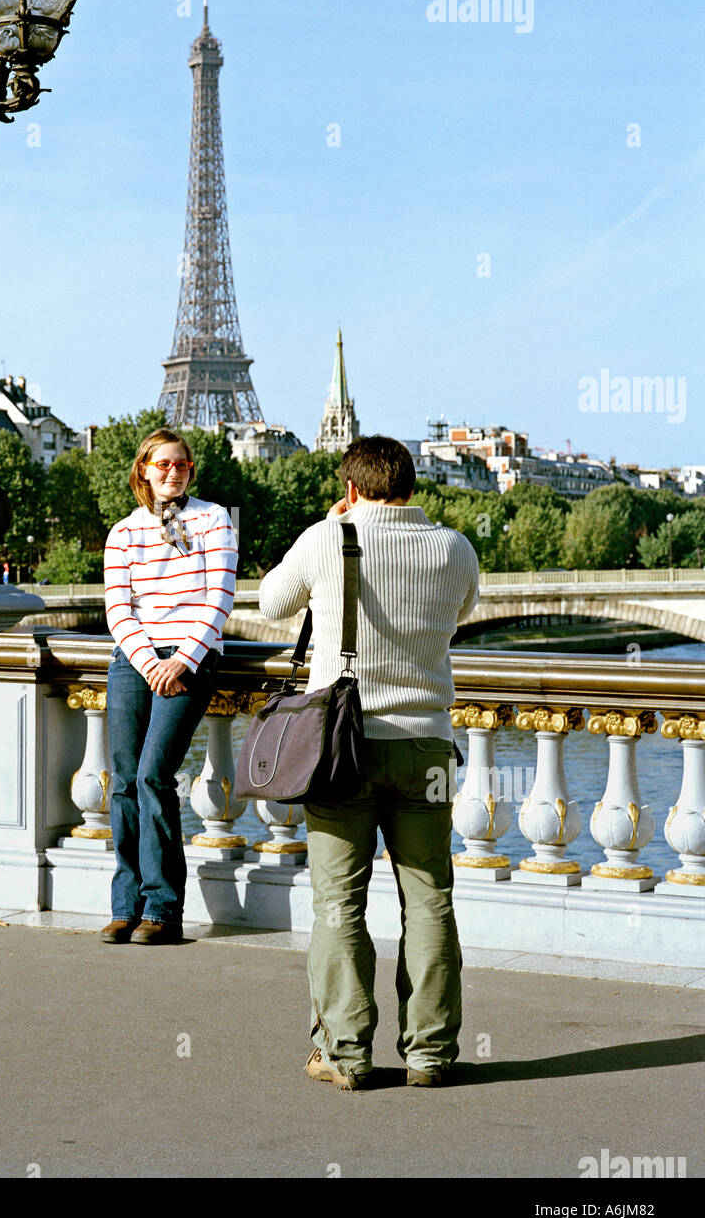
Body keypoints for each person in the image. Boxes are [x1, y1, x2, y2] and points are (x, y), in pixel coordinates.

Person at [259, 435, 479, 1089]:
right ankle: (430, 1055)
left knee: (338, 905)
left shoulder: (329, 538)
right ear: (413, 487)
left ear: (350, 489)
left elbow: (271, 603)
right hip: (427, 745)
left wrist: (332, 526)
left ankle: (346, 1055)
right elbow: (460, 615)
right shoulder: (454, 547)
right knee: (431, 900)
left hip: (342, 747)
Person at [101, 428, 238, 945]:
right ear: (144, 470)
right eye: (163, 465)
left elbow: (219, 597)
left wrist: (179, 661)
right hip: (133, 661)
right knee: (122, 780)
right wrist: (146, 661)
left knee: (154, 775)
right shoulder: (124, 532)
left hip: (191, 659)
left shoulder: (213, 518)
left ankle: (162, 908)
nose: (173, 472)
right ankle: (125, 904)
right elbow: (120, 608)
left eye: (181, 465)